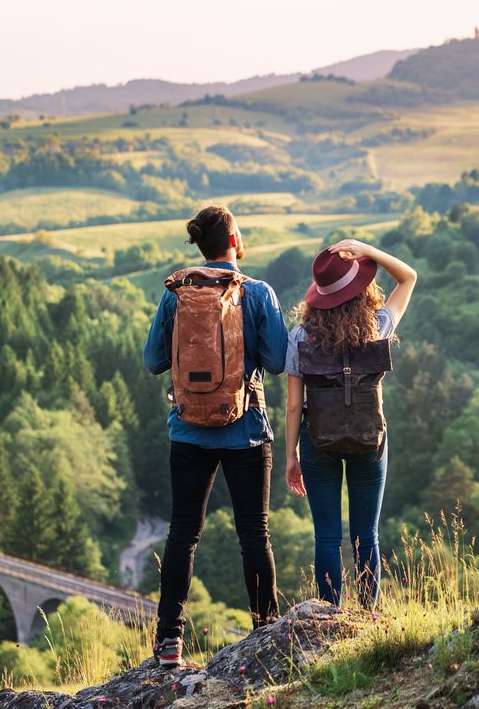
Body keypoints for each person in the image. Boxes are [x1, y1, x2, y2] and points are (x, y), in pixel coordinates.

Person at [143, 204, 288, 668]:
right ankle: (265, 631)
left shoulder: (176, 294)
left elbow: (153, 361)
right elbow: (281, 360)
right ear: (233, 240)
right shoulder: (258, 293)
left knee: (182, 533)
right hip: (245, 429)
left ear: (200, 245)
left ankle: (169, 643)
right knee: (254, 533)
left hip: (188, 430)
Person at [284, 239, 417, 609]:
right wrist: (368, 251)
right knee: (366, 534)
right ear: (361, 291)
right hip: (369, 441)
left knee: (326, 537)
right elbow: (408, 278)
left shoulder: (300, 337)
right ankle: (369, 614)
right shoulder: (378, 326)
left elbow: (295, 406)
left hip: (317, 442)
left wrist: (291, 457)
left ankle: (329, 615)